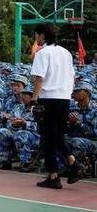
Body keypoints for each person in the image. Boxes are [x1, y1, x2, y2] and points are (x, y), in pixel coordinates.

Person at [30, 22, 86, 188]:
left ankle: (55, 175)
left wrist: (34, 98)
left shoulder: (43, 53)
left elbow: (39, 78)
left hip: (49, 97)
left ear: (42, 35)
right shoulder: (66, 53)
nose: (36, 38)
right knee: (57, 136)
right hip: (64, 98)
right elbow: (72, 76)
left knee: (48, 137)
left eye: (36, 35)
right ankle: (71, 163)